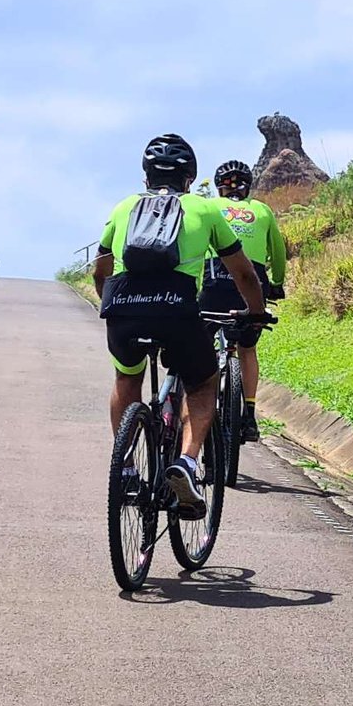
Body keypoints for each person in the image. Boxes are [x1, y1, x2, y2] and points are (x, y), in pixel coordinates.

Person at [94, 135, 269, 519]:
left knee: (126, 378)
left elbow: (100, 267)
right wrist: (255, 312)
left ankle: (124, 468)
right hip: (177, 311)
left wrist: (108, 302)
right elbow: (242, 272)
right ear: (190, 179)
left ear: (146, 177)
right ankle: (186, 463)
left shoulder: (124, 207)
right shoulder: (205, 210)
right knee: (203, 382)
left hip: (123, 308)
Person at [200, 160, 287, 444]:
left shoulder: (210, 209)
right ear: (248, 185)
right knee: (247, 349)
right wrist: (275, 284)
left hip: (216, 282)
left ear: (218, 187)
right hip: (254, 284)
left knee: (203, 345)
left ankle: (203, 402)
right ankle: (249, 414)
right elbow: (278, 251)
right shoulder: (262, 210)